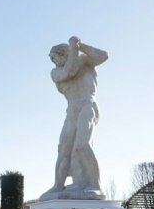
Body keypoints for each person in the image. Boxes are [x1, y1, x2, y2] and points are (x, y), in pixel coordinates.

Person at [40, 36, 108, 200]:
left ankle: (96, 185)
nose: (53, 61)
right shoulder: (56, 72)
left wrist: (80, 46)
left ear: (62, 54)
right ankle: (58, 186)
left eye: (54, 57)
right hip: (72, 110)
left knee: (82, 145)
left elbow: (104, 56)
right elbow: (70, 72)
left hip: (87, 105)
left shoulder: (84, 60)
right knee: (63, 147)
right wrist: (73, 48)